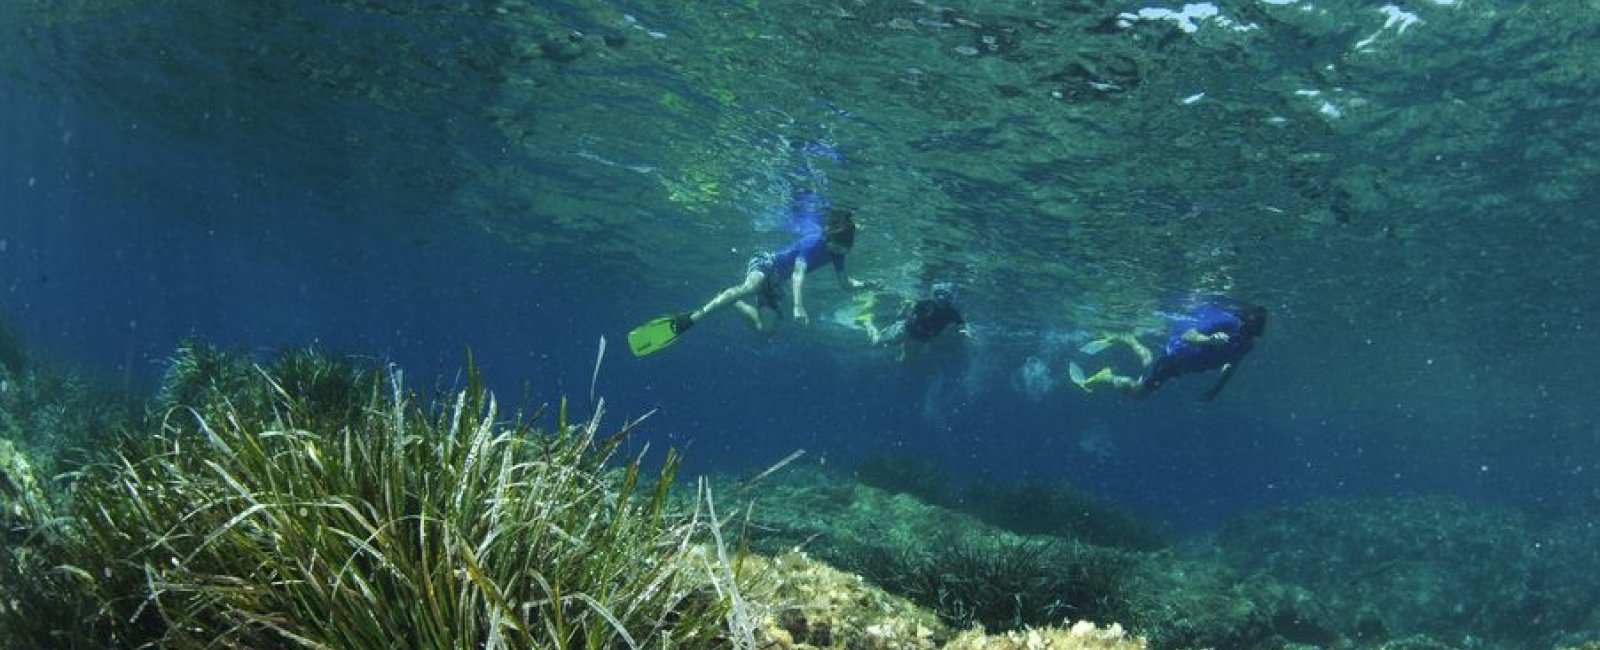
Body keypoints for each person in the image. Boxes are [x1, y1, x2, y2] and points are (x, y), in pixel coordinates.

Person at [1069, 299, 1267, 401]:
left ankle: (1130, 340)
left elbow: (1232, 363)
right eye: (1246, 330)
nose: (1246, 335)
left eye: (1252, 334)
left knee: (1147, 365)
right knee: (1139, 394)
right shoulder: (1228, 321)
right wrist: (1209, 340)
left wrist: (1217, 389)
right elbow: (1189, 335)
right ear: (1244, 321)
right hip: (1176, 355)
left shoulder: (1247, 343)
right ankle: (1107, 376)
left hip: (1181, 366)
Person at [863, 281, 970, 361]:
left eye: (945, 296)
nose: (941, 298)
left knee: (906, 361)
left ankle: (903, 347)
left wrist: (964, 332)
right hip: (905, 331)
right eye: (938, 294)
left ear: (950, 298)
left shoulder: (952, 313)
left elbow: (962, 325)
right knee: (876, 343)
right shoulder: (925, 303)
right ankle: (868, 323)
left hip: (922, 339)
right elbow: (909, 314)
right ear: (934, 295)